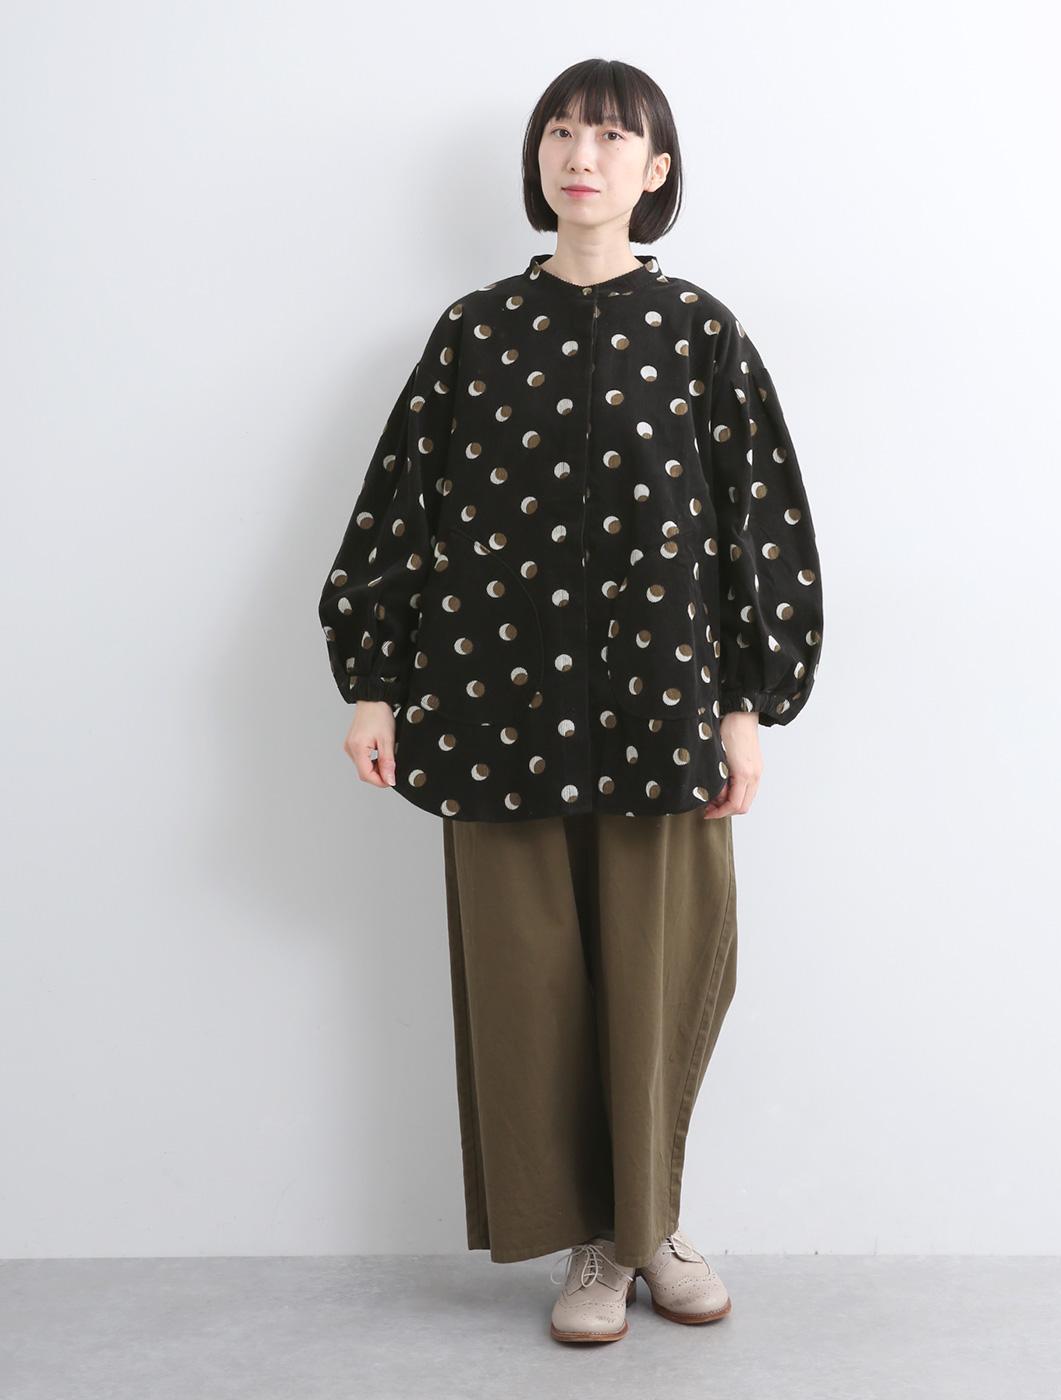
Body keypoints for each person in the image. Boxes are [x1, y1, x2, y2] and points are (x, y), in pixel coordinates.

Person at [318, 58, 824, 1344]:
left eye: (609, 135)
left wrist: (747, 703)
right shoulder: (475, 331)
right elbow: (400, 508)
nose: (580, 154)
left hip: (665, 712)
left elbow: (758, 526)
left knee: (660, 981)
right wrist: (373, 682)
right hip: (493, 712)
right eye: (560, 132)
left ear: (656, 170)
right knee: (530, 986)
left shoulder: (700, 332)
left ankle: (652, 1224)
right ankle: (592, 1243)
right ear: (538, 160)